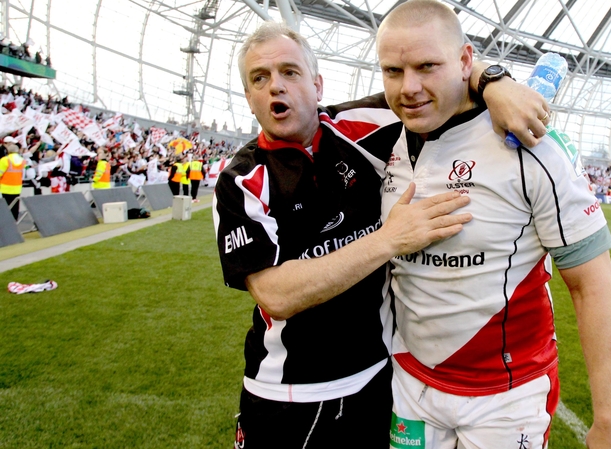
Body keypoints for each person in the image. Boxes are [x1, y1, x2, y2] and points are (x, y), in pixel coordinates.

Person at [213, 21, 549, 449]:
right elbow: (276, 295)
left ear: (317, 85)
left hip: (380, 381)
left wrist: (495, 83)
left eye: (289, 72)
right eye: (259, 78)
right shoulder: (240, 181)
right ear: (249, 98)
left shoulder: (363, 124)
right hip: (287, 395)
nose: (275, 86)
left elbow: (440, 81)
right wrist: (389, 239)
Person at [375, 1, 611, 448]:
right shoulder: (380, 133)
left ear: (464, 61)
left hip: (507, 395)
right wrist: (493, 80)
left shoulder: (533, 145)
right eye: (393, 72)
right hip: (410, 384)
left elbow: (592, 283)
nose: (410, 88)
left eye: (427, 66)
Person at [0, 137, 25, 220]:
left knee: (6, 206)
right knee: (15, 206)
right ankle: (15, 221)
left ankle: (7, 223)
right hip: (17, 187)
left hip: (5, 187)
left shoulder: (5, 160)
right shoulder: (22, 161)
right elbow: (23, 175)